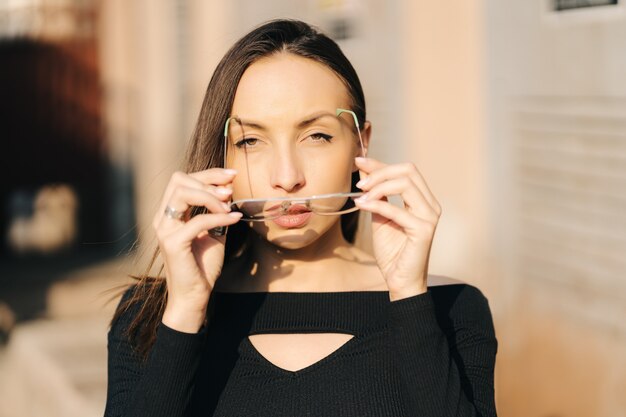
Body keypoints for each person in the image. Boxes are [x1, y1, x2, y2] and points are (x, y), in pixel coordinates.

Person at [104, 18, 498, 417]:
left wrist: (409, 296)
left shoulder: (451, 309)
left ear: (361, 144)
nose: (287, 178)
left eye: (317, 136)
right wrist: (186, 309)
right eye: (250, 141)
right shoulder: (149, 317)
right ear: (221, 156)